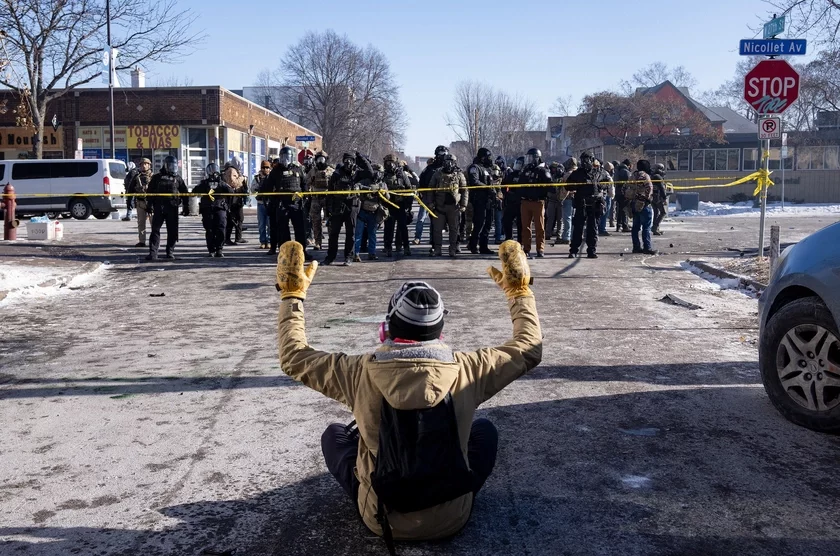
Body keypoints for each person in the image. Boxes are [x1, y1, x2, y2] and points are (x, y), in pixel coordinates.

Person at [274, 238, 541, 548]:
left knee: (334, 434)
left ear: (387, 328)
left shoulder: (356, 371)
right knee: (485, 430)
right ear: (440, 331)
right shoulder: (470, 368)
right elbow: (529, 348)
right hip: (453, 517)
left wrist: (292, 296)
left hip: (381, 518)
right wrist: (519, 293)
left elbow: (293, 356)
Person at [265, 146, 309, 258]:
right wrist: (273, 200)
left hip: (296, 203)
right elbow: (268, 187)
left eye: (287, 157)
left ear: (292, 157)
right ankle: (286, 253)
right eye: (283, 157)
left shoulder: (298, 169)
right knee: (283, 230)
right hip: (282, 203)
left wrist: (304, 197)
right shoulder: (275, 171)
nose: (285, 159)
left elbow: (304, 185)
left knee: (300, 229)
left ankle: (302, 252)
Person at [565, 152, 608, 259]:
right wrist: (578, 185)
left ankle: (591, 250)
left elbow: (607, 182)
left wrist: (600, 186)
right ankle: (573, 250)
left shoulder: (599, 172)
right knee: (578, 228)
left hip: (595, 204)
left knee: (592, 229)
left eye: (587, 159)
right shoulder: (577, 173)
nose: (584, 162)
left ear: (592, 160)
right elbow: (568, 186)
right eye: (583, 159)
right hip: (581, 203)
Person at [146, 156, 187, 261]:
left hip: (172, 207)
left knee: (173, 231)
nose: (172, 168)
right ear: (165, 165)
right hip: (159, 207)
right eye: (170, 166)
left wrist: (186, 207)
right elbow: (149, 192)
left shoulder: (177, 178)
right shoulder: (157, 178)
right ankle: (153, 253)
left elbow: (185, 193)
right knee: (155, 230)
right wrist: (149, 205)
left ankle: (170, 252)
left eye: (174, 166)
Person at [427, 153, 468, 258]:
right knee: (437, 229)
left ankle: (452, 249)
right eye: (447, 161)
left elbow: (464, 190)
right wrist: (430, 203)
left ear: (455, 163)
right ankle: (437, 249)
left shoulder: (459, 175)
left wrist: (463, 205)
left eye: (451, 162)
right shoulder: (437, 174)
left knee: (454, 229)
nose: (449, 164)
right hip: (439, 207)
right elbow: (430, 189)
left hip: (454, 207)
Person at [324, 153, 361, 266]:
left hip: (352, 206)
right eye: (346, 160)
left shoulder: (357, 174)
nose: (348, 162)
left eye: (350, 160)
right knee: (333, 233)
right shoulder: (336, 174)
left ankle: (348, 257)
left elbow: (369, 171)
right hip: (337, 206)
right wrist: (328, 210)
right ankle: (330, 257)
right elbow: (330, 192)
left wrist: (360, 157)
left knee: (351, 234)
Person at [193, 163, 233, 257]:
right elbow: (195, 191)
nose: (213, 173)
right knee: (210, 229)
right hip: (208, 208)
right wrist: (205, 186)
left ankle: (219, 249)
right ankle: (211, 250)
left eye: (215, 171)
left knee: (221, 228)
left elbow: (231, 192)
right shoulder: (204, 183)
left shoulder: (221, 183)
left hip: (220, 208)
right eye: (211, 171)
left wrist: (221, 184)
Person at [519, 148, 551, 258]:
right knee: (525, 227)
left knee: (539, 227)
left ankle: (540, 249)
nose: (529, 160)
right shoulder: (526, 169)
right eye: (528, 157)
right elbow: (520, 183)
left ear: (537, 158)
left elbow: (550, 186)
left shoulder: (543, 170)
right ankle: (526, 248)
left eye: (531, 157)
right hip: (525, 201)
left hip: (538, 202)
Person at [354, 160, 389, 261]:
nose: (377, 175)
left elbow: (388, 198)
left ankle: (372, 253)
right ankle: (356, 254)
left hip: (374, 212)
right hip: (362, 211)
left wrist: (382, 193)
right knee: (358, 234)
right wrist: (362, 188)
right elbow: (356, 186)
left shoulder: (383, 184)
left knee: (372, 234)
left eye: (379, 173)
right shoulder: (365, 181)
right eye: (375, 172)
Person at [466, 147, 497, 255]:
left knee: (488, 224)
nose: (490, 159)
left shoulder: (487, 169)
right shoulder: (475, 168)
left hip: (488, 200)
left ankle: (484, 246)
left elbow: (491, 183)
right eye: (488, 157)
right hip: (479, 200)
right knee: (479, 223)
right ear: (483, 157)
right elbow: (474, 181)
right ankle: (473, 245)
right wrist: (487, 188)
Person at [382, 154, 413, 258]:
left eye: (392, 162)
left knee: (403, 228)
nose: (390, 165)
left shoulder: (402, 174)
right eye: (388, 162)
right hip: (389, 205)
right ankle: (388, 247)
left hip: (400, 205)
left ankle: (406, 247)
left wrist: (408, 205)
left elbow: (409, 189)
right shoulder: (383, 175)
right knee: (388, 228)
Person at [416, 147, 448, 247]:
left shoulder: (447, 168)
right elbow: (421, 180)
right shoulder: (429, 168)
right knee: (421, 218)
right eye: (441, 154)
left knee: (437, 219)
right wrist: (421, 193)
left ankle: (434, 240)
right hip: (427, 196)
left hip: (440, 197)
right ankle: (417, 237)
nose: (443, 157)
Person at [626, 160, 657, 255]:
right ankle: (647, 247)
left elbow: (625, 188)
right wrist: (647, 199)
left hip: (634, 203)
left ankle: (636, 247)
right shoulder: (645, 176)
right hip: (644, 204)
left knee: (635, 227)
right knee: (646, 227)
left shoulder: (632, 176)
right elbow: (649, 188)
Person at [306, 151, 334, 251]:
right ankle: (318, 242)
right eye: (319, 159)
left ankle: (332, 241)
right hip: (315, 198)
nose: (320, 161)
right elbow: (306, 183)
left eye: (322, 159)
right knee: (316, 221)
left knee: (330, 221)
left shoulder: (331, 171)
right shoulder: (312, 171)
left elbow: (336, 184)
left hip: (327, 198)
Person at [126, 158, 153, 247]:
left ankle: (154, 241)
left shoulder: (154, 177)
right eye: (142, 164)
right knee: (141, 223)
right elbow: (130, 190)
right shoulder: (136, 177)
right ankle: (142, 241)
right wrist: (129, 202)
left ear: (149, 165)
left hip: (152, 203)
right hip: (140, 202)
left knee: (154, 223)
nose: (144, 166)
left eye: (146, 164)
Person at [223, 158, 248, 245]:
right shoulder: (231, 170)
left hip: (237, 198)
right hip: (233, 199)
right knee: (233, 219)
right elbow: (233, 183)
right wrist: (242, 178)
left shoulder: (235, 170)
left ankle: (238, 237)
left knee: (239, 218)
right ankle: (229, 238)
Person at [501, 156, 524, 243]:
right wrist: (507, 193)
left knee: (520, 224)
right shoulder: (511, 174)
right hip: (511, 202)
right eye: (517, 164)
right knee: (506, 220)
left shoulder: (525, 175)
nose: (518, 166)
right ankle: (509, 239)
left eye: (520, 164)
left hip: (522, 202)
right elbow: (503, 185)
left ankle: (521, 242)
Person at [556, 158, 577, 246]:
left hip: (568, 198)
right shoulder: (579, 173)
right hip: (576, 198)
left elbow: (565, 188)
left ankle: (566, 237)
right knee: (574, 218)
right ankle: (573, 236)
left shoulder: (568, 174)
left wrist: (561, 198)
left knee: (567, 218)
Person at [252, 160, 272, 249]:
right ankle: (263, 241)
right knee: (261, 224)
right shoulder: (257, 178)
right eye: (263, 167)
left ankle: (269, 241)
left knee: (270, 224)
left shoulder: (272, 177)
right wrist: (258, 187)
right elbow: (252, 189)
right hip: (261, 204)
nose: (265, 169)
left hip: (270, 203)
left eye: (267, 167)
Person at [544, 162, 565, 243]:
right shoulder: (551, 177)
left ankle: (559, 235)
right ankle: (548, 233)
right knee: (550, 218)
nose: (557, 170)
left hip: (560, 201)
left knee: (560, 219)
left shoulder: (563, 178)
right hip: (551, 200)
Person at [614, 159, 633, 233]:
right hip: (624, 192)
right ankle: (625, 226)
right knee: (625, 209)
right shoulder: (625, 171)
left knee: (620, 210)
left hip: (618, 192)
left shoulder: (617, 170)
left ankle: (618, 226)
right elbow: (630, 181)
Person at [597, 161, 615, 237]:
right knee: (604, 213)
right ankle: (602, 229)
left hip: (599, 195)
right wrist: (612, 195)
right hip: (606, 196)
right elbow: (611, 187)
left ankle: (598, 228)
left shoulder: (599, 173)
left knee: (599, 213)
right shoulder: (607, 175)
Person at [651, 162, 668, 236]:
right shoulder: (658, 177)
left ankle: (656, 229)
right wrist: (664, 198)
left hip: (652, 197)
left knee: (656, 212)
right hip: (658, 197)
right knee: (663, 212)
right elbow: (662, 188)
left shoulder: (652, 176)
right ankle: (655, 227)